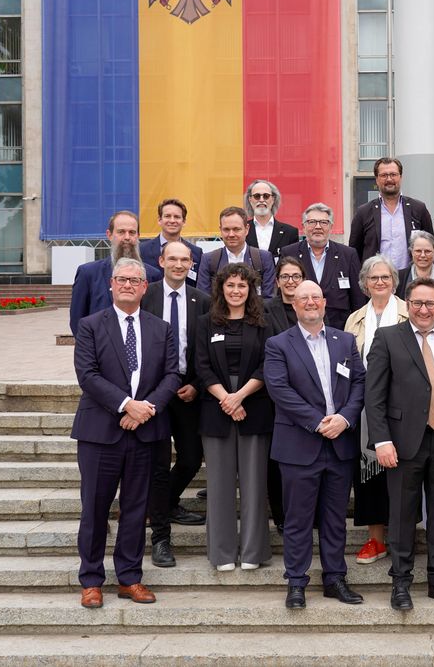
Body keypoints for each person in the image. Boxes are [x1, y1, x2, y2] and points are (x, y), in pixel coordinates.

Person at [71, 258, 179, 608]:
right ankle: (91, 580)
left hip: (145, 432)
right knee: (95, 508)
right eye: (122, 279)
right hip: (101, 432)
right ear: (111, 285)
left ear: (145, 287)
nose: (129, 285)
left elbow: (172, 377)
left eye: (135, 280)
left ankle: (130, 578)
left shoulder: (161, 328)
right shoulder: (90, 325)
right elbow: (88, 375)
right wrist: (125, 405)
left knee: (135, 509)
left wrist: (145, 409)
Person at [365, 277, 434, 611]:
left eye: (431, 304)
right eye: (417, 303)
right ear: (408, 305)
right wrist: (381, 440)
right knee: (400, 515)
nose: (424, 309)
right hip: (401, 443)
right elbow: (374, 396)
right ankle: (400, 582)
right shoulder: (387, 337)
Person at [264, 280, 367, 609]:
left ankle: (335, 578)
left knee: (335, 517)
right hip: (299, 444)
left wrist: (344, 419)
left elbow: (360, 384)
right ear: (293, 305)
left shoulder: (345, 341)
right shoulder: (278, 344)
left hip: (340, 444)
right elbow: (279, 390)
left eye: (315, 297)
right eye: (302, 298)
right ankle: (296, 582)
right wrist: (318, 421)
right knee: (297, 519)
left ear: (324, 303)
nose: (310, 302)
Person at [195, 262, 275, 571]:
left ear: (250, 289)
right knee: (219, 484)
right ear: (221, 289)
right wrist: (226, 398)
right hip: (215, 406)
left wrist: (239, 396)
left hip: (254, 405)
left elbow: (269, 364)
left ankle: (253, 552)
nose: (236, 291)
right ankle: (223, 553)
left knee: (255, 484)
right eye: (230, 285)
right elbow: (201, 365)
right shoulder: (205, 322)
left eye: (242, 286)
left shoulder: (264, 324)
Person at [141, 241, 211, 568]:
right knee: (155, 464)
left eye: (185, 259)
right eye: (173, 259)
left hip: (187, 391)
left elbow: (208, 351)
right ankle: (160, 530)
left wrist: (197, 385)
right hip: (152, 393)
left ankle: (160, 503)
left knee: (191, 457)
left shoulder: (203, 300)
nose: (179, 264)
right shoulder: (146, 295)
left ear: (191, 264)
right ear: (161, 261)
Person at [342, 254, 408, 564]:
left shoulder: (409, 313)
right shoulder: (354, 319)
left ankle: (402, 537)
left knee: (403, 473)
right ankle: (375, 540)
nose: (380, 282)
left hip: (405, 407)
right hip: (366, 409)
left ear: (394, 281)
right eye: (373, 278)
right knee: (369, 474)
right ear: (365, 285)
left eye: (385, 277)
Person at [262, 255, 309, 532]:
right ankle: (281, 515)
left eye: (296, 277)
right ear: (277, 281)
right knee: (276, 460)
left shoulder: (312, 306)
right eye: (285, 277)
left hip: (311, 397)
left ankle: (307, 513)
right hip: (275, 397)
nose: (291, 282)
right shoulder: (265, 309)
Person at [70, 210, 162, 335]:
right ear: (109, 234)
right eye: (121, 232)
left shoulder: (153, 275)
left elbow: (156, 318)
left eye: (132, 232)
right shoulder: (88, 273)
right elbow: (77, 321)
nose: (127, 237)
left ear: (138, 236)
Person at [279, 203, 364, 330]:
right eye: (312, 222)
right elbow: (281, 292)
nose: (318, 227)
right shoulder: (289, 253)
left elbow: (358, 298)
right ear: (304, 226)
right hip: (298, 326)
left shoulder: (348, 254)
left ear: (331, 226)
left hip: (339, 328)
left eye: (324, 222)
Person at [349, 157, 434, 266]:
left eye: (393, 174)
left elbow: (430, 244)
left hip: (410, 279)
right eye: (384, 175)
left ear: (400, 177)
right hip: (377, 279)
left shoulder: (418, 208)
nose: (389, 179)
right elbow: (354, 252)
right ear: (377, 179)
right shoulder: (363, 212)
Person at [201, 206, 276, 299]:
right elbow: (203, 299)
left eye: (236, 229)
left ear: (247, 229)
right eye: (226, 229)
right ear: (220, 230)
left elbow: (268, 299)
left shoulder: (263, 258)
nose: (231, 234)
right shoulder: (208, 260)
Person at [139, 198, 204, 288]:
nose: (172, 221)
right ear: (159, 220)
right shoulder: (141, 250)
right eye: (167, 216)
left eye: (177, 217)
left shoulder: (196, 252)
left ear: (184, 221)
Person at [245, 179, 300, 256]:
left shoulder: (290, 233)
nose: (261, 200)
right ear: (250, 200)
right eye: (257, 196)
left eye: (266, 196)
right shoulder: (241, 230)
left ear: (273, 199)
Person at [396, 230, 434, 300]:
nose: (422, 255)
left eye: (427, 251)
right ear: (411, 251)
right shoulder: (399, 278)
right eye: (418, 251)